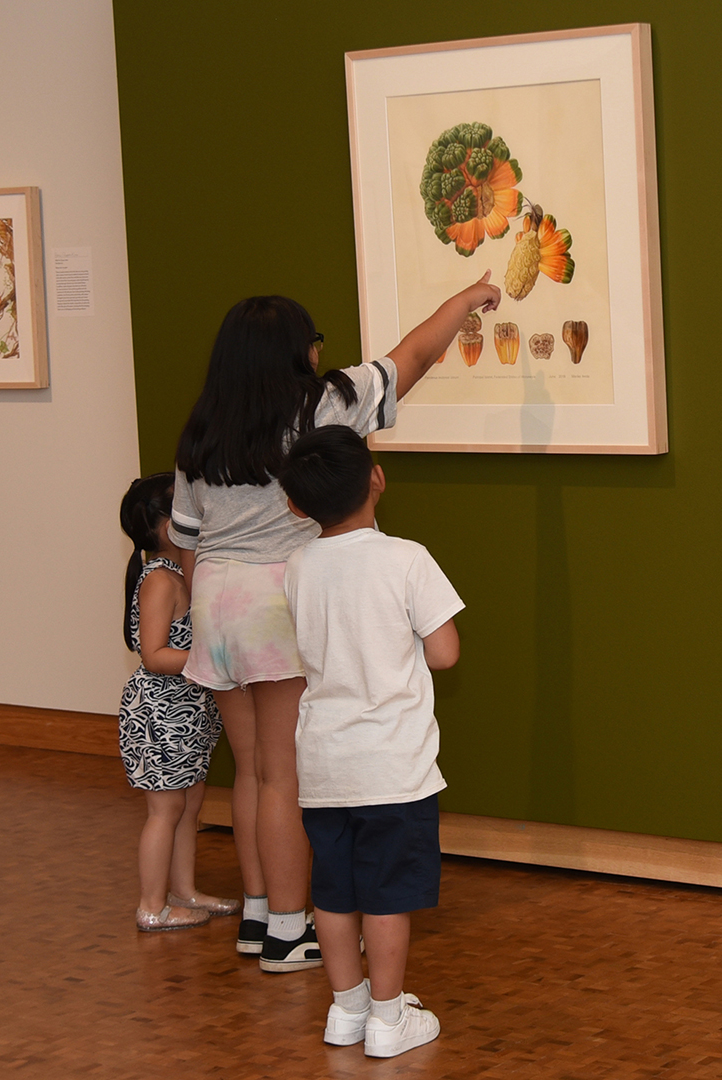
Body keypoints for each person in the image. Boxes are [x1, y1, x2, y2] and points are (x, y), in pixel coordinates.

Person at [170, 274, 499, 970]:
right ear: (301, 353)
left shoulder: (201, 427)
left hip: (217, 604)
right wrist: (466, 301)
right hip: (278, 598)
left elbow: (185, 535)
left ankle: (259, 914)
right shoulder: (327, 403)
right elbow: (413, 355)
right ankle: (291, 930)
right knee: (286, 776)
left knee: (252, 772)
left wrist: (206, 614)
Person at [278, 425, 463, 1058]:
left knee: (333, 891)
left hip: (325, 764)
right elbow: (444, 653)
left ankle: (346, 1009)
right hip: (393, 767)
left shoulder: (298, 565)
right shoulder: (407, 558)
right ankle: (388, 1019)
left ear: (296, 505)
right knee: (387, 895)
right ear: (376, 480)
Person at [118, 474, 240, 932]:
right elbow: (154, 655)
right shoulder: (160, 580)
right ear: (165, 526)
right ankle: (152, 905)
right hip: (160, 713)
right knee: (165, 811)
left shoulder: (181, 573)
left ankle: (183, 890)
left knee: (189, 806)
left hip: (189, 713)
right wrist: (213, 658)